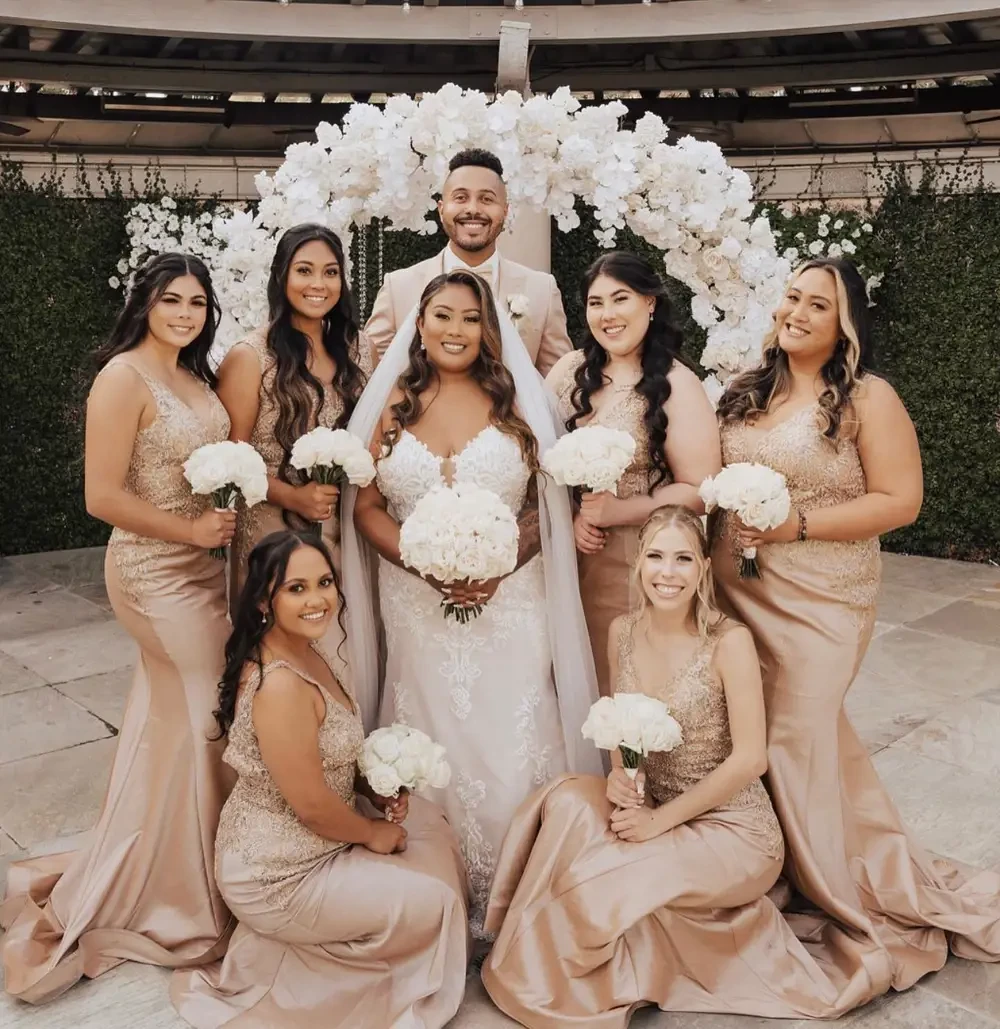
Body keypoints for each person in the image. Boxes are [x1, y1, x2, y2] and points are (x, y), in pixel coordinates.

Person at [713, 256, 1000, 1008]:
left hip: (824, 597)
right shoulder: (748, 388)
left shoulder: (870, 397)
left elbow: (902, 500)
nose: (797, 312)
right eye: (792, 297)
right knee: (761, 731)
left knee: (792, 734)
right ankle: (781, 867)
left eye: (818, 303)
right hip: (737, 589)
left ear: (846, 323)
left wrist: (794, 524)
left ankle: (836, 891)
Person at [483, 507, 844, 1026]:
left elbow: (751, 759)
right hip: (655, 802)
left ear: (702, 568)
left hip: (734, 827)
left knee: (599, 880)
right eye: (655, 556)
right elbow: (619, 724)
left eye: (682, 559)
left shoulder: (728, 641)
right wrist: (619, 777)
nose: (666, 573)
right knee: (564, 799)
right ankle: (525, 944)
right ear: (638, 565)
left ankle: (563, 973)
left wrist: (657, 822)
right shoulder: (621, 632)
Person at [1, 254, 234, 1003]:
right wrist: (190, 531)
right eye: (173, 299)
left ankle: (166, 862)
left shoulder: (197, 378)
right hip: (153, 571)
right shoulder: (122, 378)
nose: (186, 312)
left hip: (205, 565)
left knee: (173, 721)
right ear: (145, 303)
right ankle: (185, 896)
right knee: (206, 714)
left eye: (198, 302)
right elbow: (100, 495)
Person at [344, 269, 601, 929]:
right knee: (429, 732)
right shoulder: (391, 402)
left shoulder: (518, 399)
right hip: (416, 604)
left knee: (511, 732)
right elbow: (366, 506)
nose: (455, 330)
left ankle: (522, 884)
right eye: (442, 316)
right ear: (419, 326)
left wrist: (500, 560)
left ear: (490, 329)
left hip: (512, 601)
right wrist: (420, 560)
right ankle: (438, 887)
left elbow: (550, 503)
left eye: (468, 318)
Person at [171, 530, 468, 1028]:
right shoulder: (281, 685)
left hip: (318, 837)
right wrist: (372, 831)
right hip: (275, 873)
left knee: (433, 825)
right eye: (297, 588)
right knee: (435, 901)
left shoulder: (307, 649)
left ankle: (326, 950)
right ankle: (340, 981)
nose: (317, 600)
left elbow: (327, 756)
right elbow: (309, 804)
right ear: (266, 599)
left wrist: (374, 787)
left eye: (325, 582)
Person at [548, 251, 721, 695]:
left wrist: (621, 510)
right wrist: (570, 518)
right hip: (566, 557)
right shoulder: (569, 372)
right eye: (595, 302)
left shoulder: (677, 383)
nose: (606, 315)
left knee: (621, 678)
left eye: (619, 299)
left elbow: (702, 489)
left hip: (636, 562)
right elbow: (537, 457)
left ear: (649, 303)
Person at [215, 223, 373, 595]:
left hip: (344, 527)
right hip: (271, 528)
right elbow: (231, 464)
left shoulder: (361, 350)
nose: (318, 283)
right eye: (304, 270)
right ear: (281, 276)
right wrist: (293, 497)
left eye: (330, 272)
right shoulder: (250, 356)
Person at [365, 148, 571, 375]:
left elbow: (558, 385)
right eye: (461, 198)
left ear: (505, 210)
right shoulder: (398, 288)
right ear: (442, 209)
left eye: (486, 199)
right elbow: (371, 378)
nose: (473, 209)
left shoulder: (542, 290)